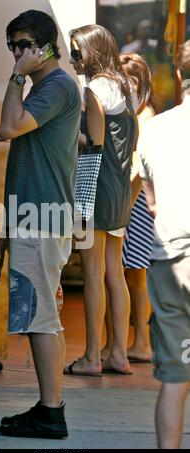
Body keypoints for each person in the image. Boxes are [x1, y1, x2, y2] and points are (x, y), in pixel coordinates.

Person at [0, 10, 81, 439]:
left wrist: (15, 77)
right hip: (38, 215)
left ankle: (51, 415)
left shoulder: (56, 85)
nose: (16, 53)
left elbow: (8, 127)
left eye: (23, 44)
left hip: (41, 217)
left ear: (46, 46)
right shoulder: (51, 87)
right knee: (44, 314)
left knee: (39, 317)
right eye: (11, 45)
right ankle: (50, 405)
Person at [64, 25, 137, 376]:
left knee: (93, 273)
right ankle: (118, 353)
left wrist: (62, 132)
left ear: (93, 52)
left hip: (96, 189)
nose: (73, 59)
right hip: (121, 189)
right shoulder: (125, 85)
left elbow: (92, 146)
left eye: (77, 52)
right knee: (115, 273)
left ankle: (92, 356)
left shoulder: (93, 89)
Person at [139, 40, 190, 449]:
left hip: (168, 258)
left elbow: (151, 202)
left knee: (176, 378)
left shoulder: (154, 129)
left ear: (178, 76)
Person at [121, 53, 156, 363]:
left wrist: (125, 205)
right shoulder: (136, 115)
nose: (126, 87)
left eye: (131, 81)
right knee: (132, 273)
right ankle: (136, 342)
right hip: (134, 200)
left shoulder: (144, 117)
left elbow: (137, 167)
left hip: (137, 202)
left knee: (135, 273)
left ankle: (141, 342)